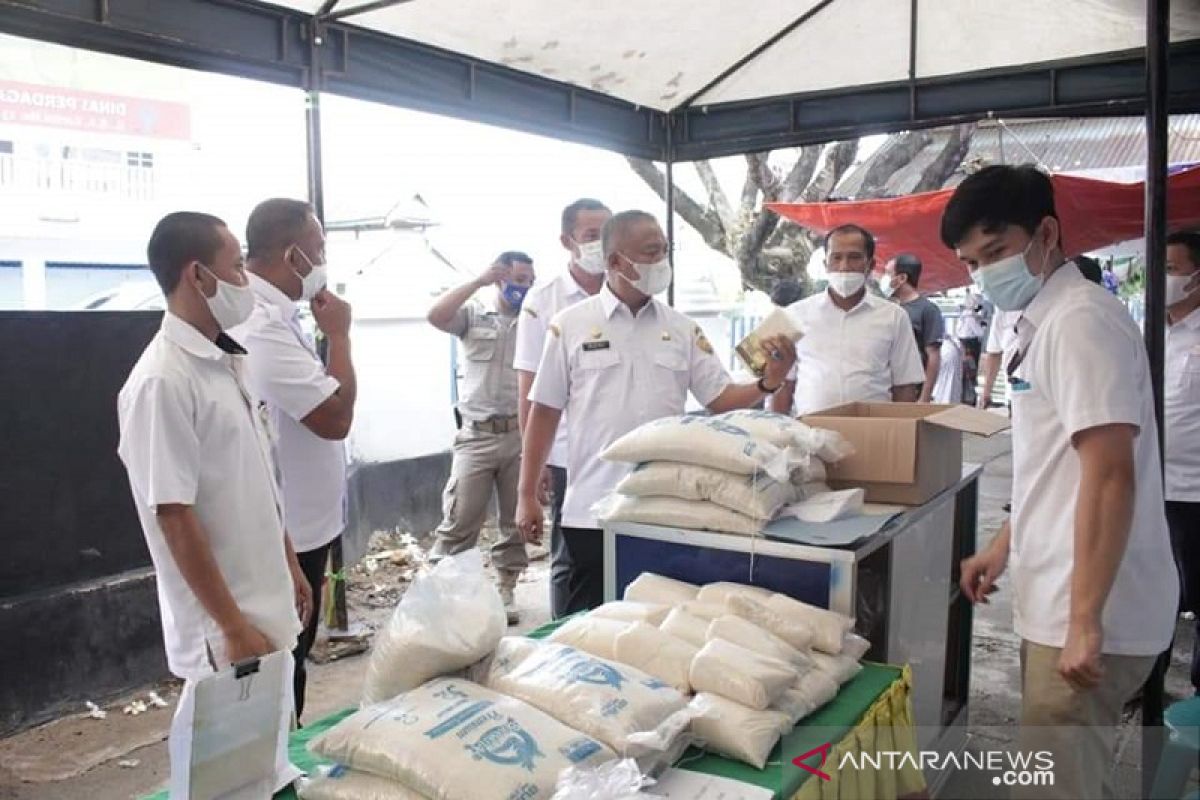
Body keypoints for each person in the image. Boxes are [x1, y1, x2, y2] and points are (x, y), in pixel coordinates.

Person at [951, 165, 1178, 800]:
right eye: (972, 262)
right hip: (1061, 594)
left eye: (995, 252)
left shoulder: (1080, 321)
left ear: (1046, 232)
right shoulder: (1042, 320)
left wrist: (1084, 621)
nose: (985, 274)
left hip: (1086, 609)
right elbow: (1058, 464)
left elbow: (1109, 476)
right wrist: (1006, 543)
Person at [516, 211, 796, 614]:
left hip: (667, 508)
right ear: (615, 262)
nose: (661, 261)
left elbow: (718, 398)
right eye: (651, 252)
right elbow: (543, 412)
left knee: (659, 623)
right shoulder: (571, 325)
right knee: (586, 625)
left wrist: (767, 383)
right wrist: (526, 494)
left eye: (665, 250)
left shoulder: (682, 329)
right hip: (593, 510)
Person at [117, 212, 308, 725]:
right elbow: (174, 517)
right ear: (198, 275)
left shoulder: (226, 360)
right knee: (231, 778)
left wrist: (287, 560)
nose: (245, 282)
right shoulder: (163, 382)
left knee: (272, 761)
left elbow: (255, 479)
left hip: (264, 604)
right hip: (228, 630)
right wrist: (230, 627)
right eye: (237, 268)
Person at [231, 198, 356, 723]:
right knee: (283, 665)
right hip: (291, 532)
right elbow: (333, 418)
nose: (324, 259)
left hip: (309, 525)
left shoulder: (283, 317)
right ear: (292, 255)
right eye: (319, 248)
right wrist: (342, 337)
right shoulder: (261, 325)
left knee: (294, 659)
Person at [514, 198, 610, 619]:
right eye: (592, 236)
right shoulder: (544, 300)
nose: (601, 245)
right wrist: (531, 474)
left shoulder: (626, 287)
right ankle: (565, 644)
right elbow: (529, 389)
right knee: (571, 559)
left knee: (617, 555)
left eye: (607, 235)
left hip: (618, 450)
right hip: (566, 451)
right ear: (566, 240)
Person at [427, 251, 536, 624]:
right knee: (460, 518)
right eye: (517, 279)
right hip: (476, 436)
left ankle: (506, 589)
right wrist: (478, 281)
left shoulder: (535, 323)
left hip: (519, 436)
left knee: (515, 522)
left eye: (528, 282)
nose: (523, 288)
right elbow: (436, 316)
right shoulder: (473, 316)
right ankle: (447, 595)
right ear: (500, 276)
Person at [770, 224, 925, 416]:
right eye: (836, 258)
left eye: (854, 257)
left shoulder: (894, 317)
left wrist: (897, 436)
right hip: (810, 435)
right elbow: (783, 384)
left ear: (870, 265)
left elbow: (904, 387)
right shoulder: (795, 315)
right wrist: (776, 434)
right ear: (825, 264)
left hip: (872, 434)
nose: (844, 266)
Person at [1165, 231, 1200, 692]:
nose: (1164, 279)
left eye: (1172, 269)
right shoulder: (1153, 332)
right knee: (1155, 593)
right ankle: (1146, 681)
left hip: (1195, 491)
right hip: (1152, 485)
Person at [880, 253, 945, 402]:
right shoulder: (889, 309)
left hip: (912, 391)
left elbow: (933, 355)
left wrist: (924, 397)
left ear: (902, 278)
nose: (884, 278)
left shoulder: (927, 310)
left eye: (888, 273)